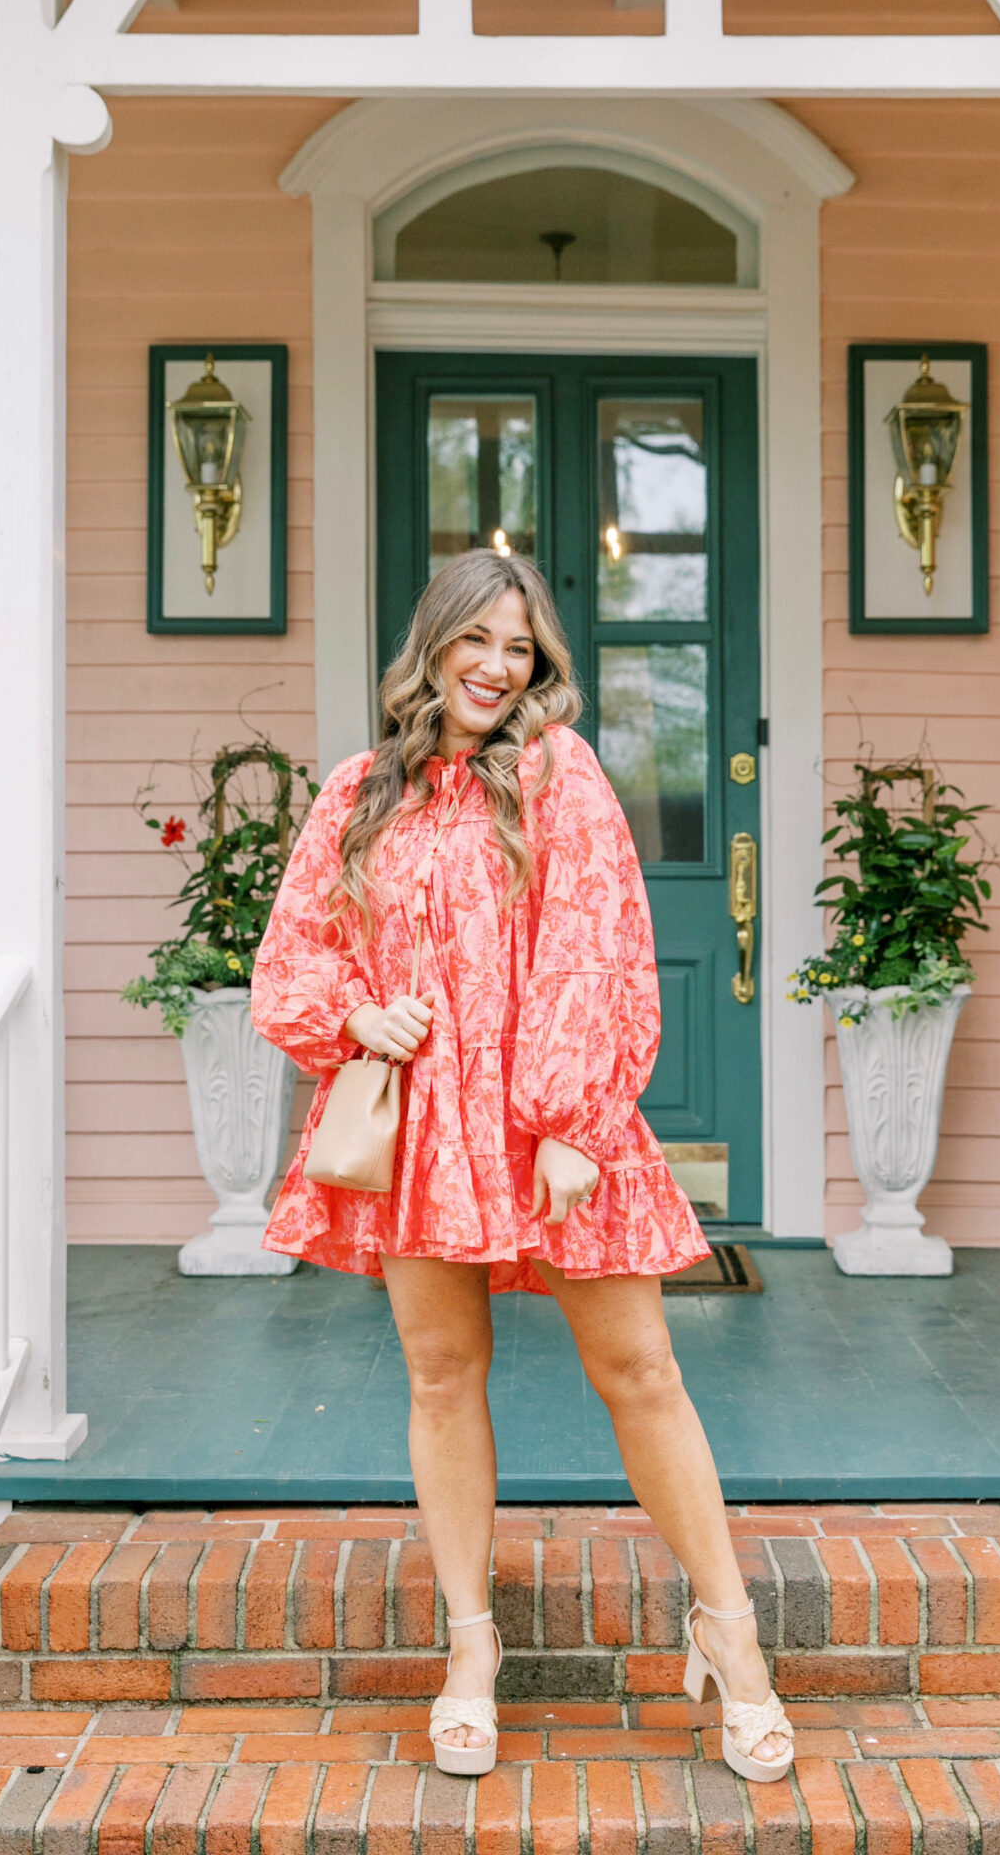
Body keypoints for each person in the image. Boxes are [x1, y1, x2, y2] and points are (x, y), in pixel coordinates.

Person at [252, 548, 793, 1783]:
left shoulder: (560, 772)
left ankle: (732, 1637)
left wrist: (565, 1115)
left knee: (642, 1369)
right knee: (443, 1376)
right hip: (426, 1127)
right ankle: (470, 1652)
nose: (499, 665)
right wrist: (357, 1014)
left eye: (521, 644)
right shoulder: (358, 792)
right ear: (430, 646)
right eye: (477, 640)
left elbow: (595, 940)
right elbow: (293, 956)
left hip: (554, 1119)